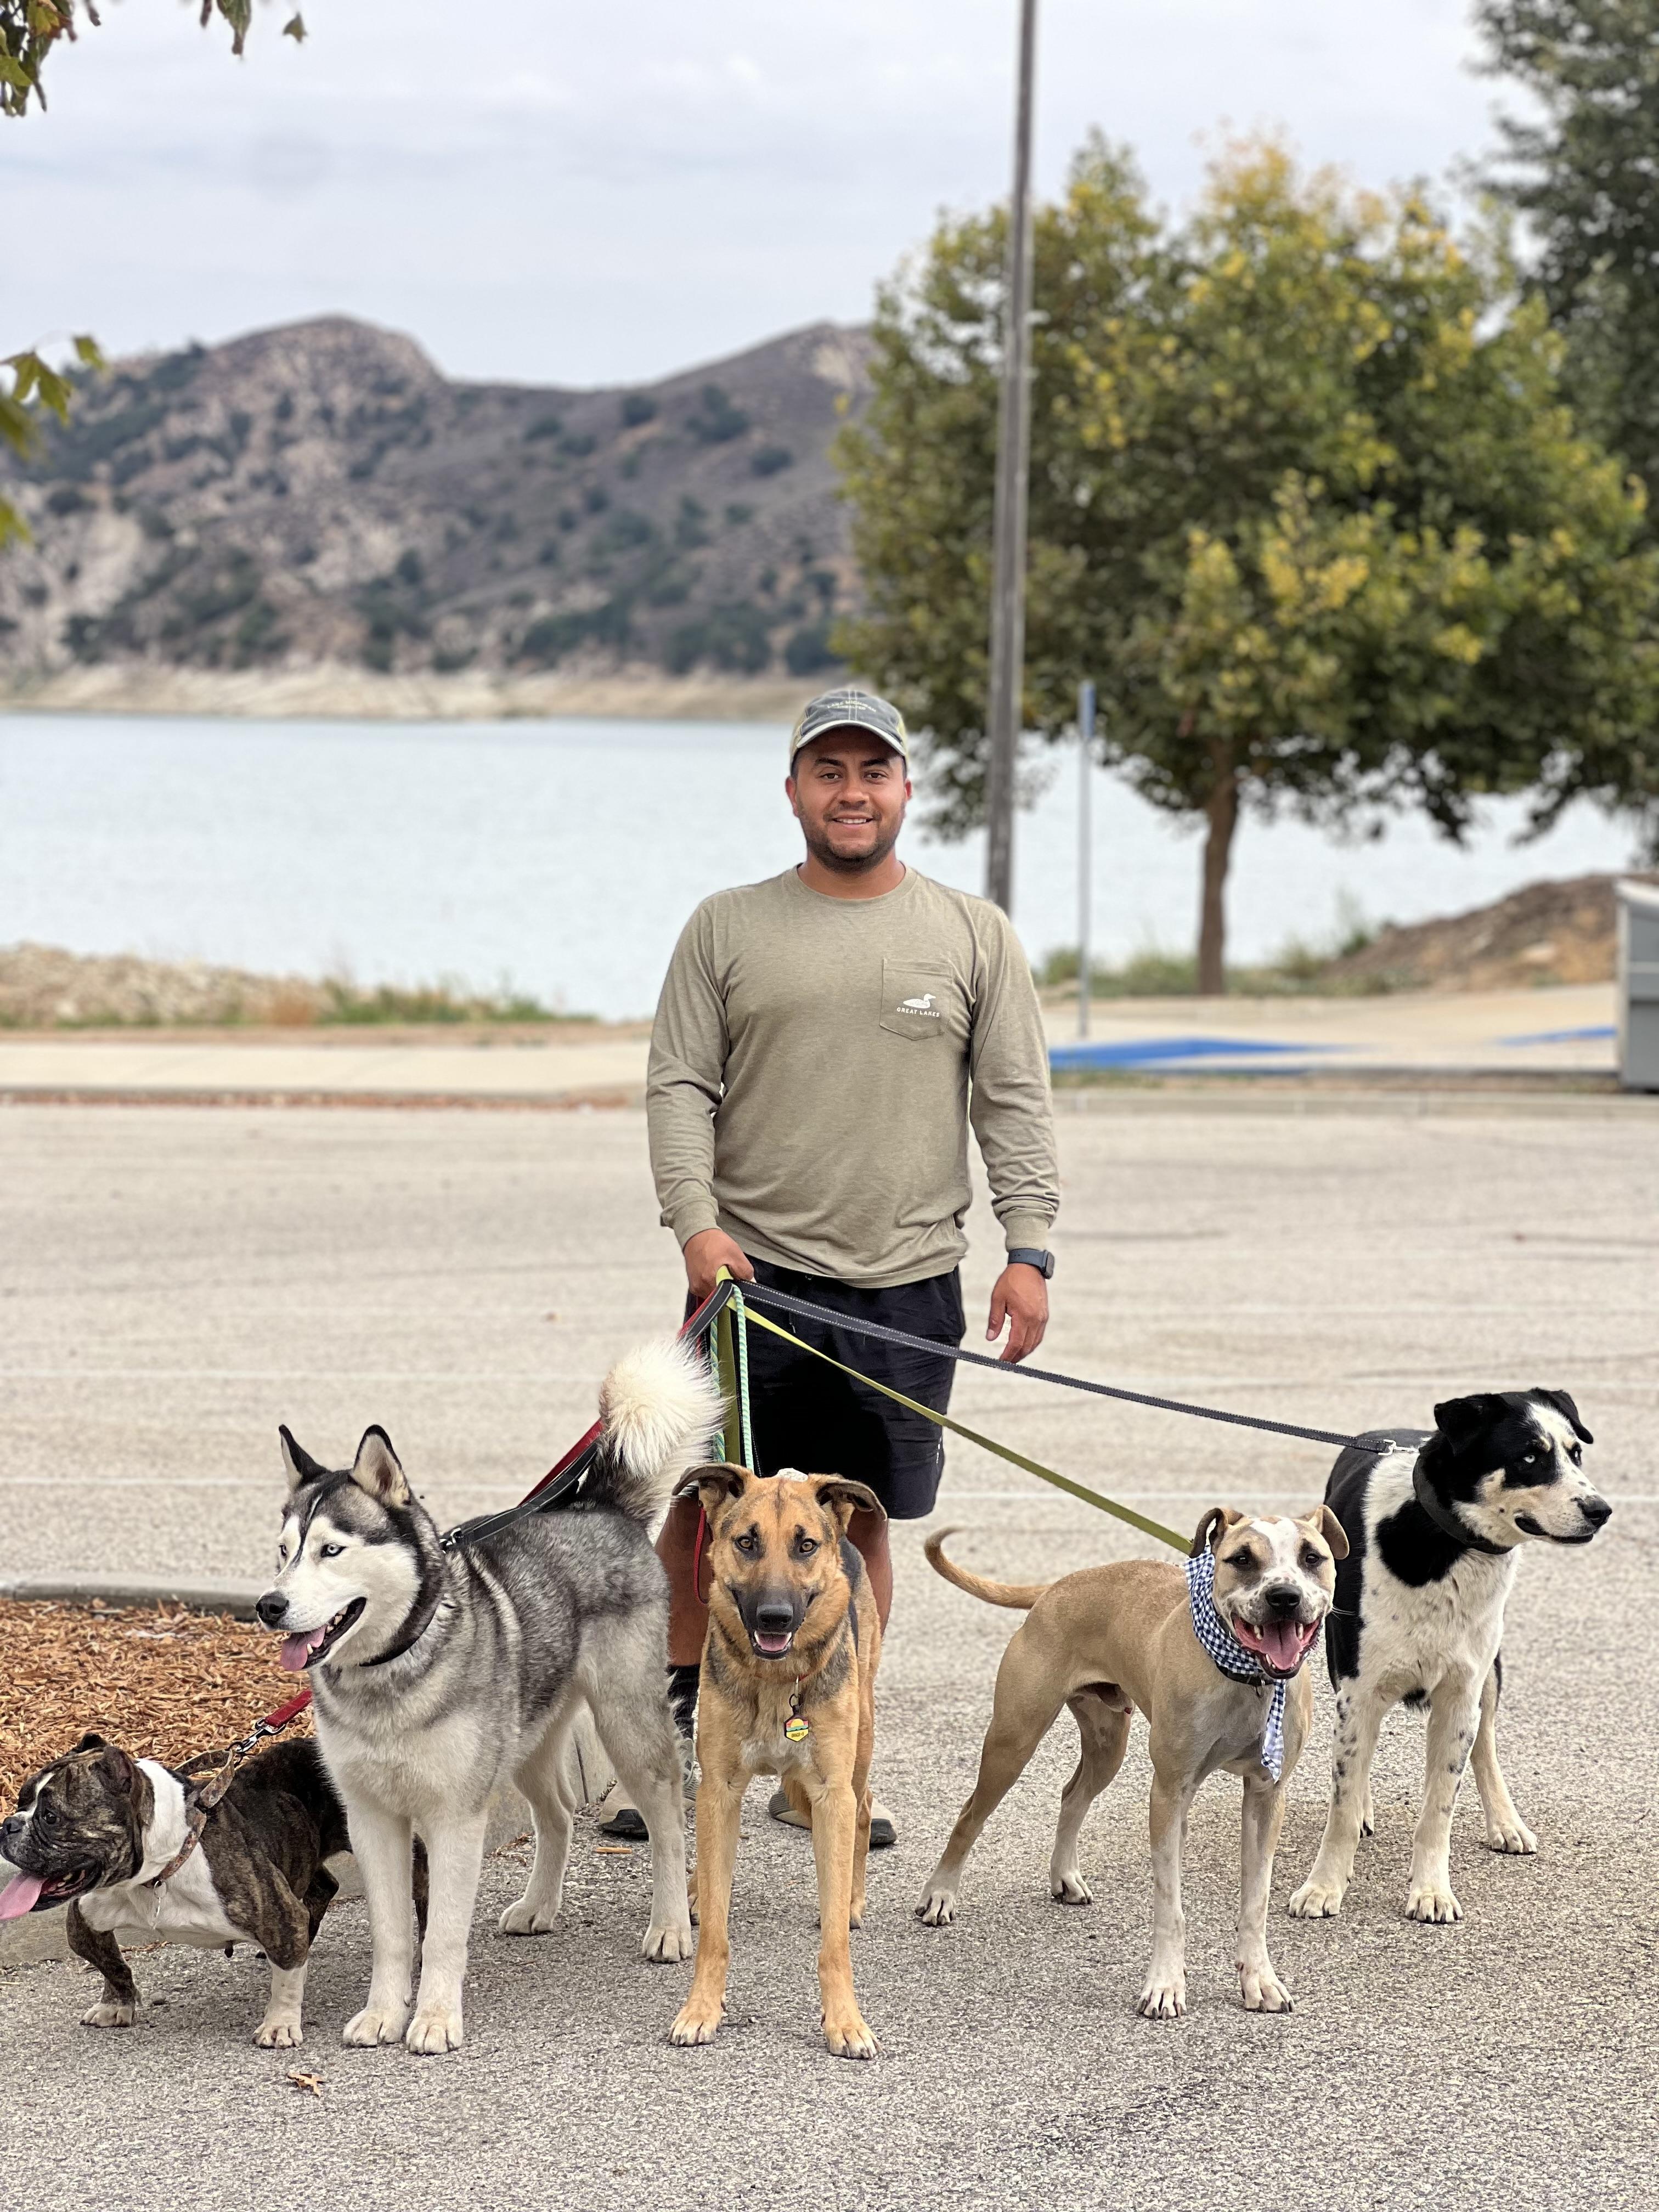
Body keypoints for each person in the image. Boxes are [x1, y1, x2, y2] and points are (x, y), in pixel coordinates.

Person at [605, 685, 1059, 1847]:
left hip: (909, 1291)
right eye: (829, 772)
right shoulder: (727, 926)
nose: (851, 793)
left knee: (852, 1533)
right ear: (796, 788)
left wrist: (1030, 1249)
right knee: (713, 1522)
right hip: (751, 1288)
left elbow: (1014, 1100)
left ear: (906, 788)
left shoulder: (972, 934)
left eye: (873, 772)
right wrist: (697, 1229)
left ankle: (822, 1764)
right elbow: (676, 1086)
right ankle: (670, 1752)